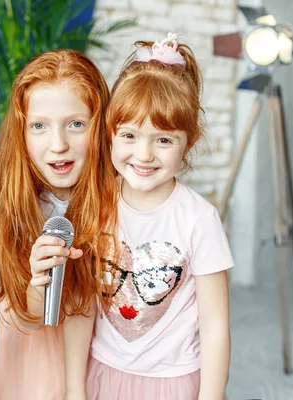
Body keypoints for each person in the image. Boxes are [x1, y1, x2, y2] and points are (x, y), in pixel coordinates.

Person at [85, 33, 234, 400]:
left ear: (190, 142)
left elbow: (215, 325)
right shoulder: (97, 202)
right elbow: (82, 304)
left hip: (173, 382)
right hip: (104, 371)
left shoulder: (199, 218)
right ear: (110, 135)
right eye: (130, 135)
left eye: (163, 140)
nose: (144, 154)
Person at [0, 49, 118, 400]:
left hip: (90, 361)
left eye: (76, 124)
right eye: (39, 126)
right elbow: (27, 316)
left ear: (100, 127)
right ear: (21, 132)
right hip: (17, 363)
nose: (58, 146)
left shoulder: (118, 201)